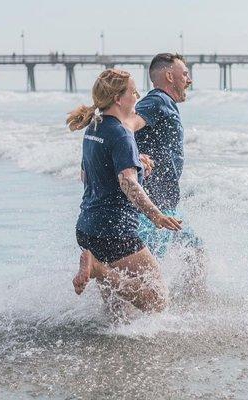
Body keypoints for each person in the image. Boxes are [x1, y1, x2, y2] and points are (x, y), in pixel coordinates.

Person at [66, 69, 182, 313]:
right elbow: (127, 183)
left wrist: (135, 161)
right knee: (157, 299)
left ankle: (112, 341)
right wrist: (156, 215)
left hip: (87, 227)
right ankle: (97, 268)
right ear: (119, 99)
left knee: (116, 310)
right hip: (114, 230)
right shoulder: (121, 134)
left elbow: (87, 174)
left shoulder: (95, 128)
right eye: (134, 92)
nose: (138, 97)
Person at [125, 53, 207, 296]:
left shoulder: (163, 104)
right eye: (185, 74)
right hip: (151, 208)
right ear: (169, 76)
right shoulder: (157, 100)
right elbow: (126, 125)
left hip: (167, 206)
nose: (189, 80)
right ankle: (129, 318)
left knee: (196, 252)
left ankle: (192, 303)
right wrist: (133, 156)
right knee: (146, 273)